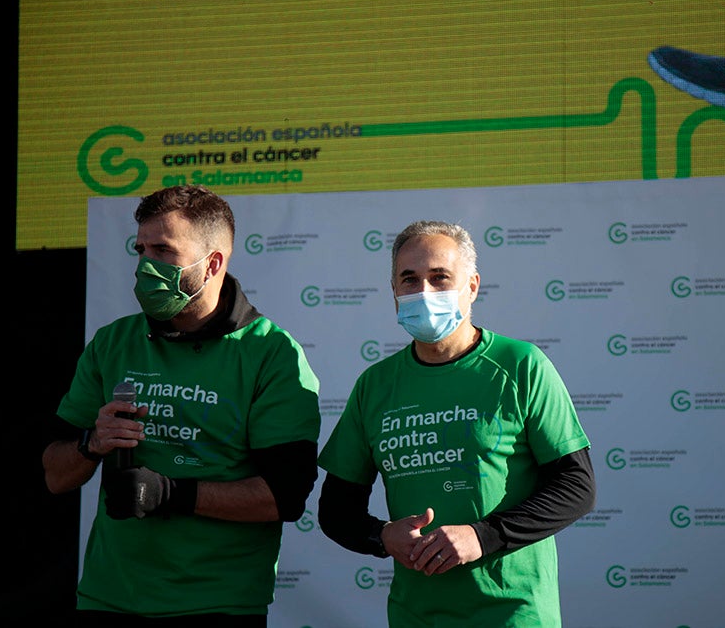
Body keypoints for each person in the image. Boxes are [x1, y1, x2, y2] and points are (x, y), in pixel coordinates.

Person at [42, 185, 321, 626]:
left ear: (212, 263)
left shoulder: (272, 354)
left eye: (163, 250)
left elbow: (284, 497)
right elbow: (54, 476)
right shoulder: (113, 342)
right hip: (108, 596)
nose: (145, 266)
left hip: (217, 603)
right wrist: (92, 443)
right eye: (140, 250)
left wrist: (168, 493)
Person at [317, 220, 596, 627]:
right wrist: (381, 537)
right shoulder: (375, 386)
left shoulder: (520, 366)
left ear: (472, 286)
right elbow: (337, 510)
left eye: (439, 277)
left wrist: (483, 536)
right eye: (409, 279)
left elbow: (577, 487)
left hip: (512, 614)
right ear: (394, 291)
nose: (423, 292)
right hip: (415, 616)